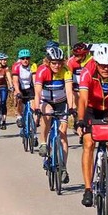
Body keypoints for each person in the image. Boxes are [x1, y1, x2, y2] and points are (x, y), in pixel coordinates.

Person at [76, 43, 108, 207]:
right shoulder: (87, 70)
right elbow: (82, 98)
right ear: (96, 62)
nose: (106, 69)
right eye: (102, 65)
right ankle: (88, 189)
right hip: (91, 109)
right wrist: (80, 120)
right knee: (89, 143)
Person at [34, 46, 76, 184]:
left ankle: (63, 167)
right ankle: (43, 143)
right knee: (48, 114)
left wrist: (71, 107)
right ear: (48, 62)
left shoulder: (66, 71)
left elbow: (69, 92)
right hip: (46, 101)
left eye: (59, 62)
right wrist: (36, 108)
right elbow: (38, 93)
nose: (57, 65)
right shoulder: (42, 71)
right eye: (53, 63)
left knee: (63, 134)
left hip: (61, 101)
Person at [12, 49, 34, 128]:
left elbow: (35, 81)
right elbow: (15, 81)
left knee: (34, 105)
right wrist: (18, 91)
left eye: (27, 58)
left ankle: (32, 120)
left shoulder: (33, 66)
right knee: (19, 99)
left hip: (29, 87)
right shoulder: (16, 66)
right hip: (20, 86)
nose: (25, 60)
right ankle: (19, 116)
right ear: (20, 59)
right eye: (23, 58)